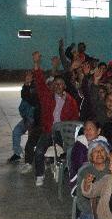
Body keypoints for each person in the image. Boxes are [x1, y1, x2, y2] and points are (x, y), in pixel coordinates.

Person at [31, 51, 79, 187]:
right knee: (39, 150)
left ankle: (71, 175)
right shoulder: (47, 96)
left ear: (64, 86)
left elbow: (74, 119)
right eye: (55, 84)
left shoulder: (71, 101)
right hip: (48, 131)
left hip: (63, 132)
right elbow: (40, 82)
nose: (57, 86)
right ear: (52, 86)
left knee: (71, 152)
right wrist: (36, 63)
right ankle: (40, 174)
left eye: (60, 84)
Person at [72, 139, 110, 219]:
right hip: (90, 211)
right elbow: (81, 199)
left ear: (107, 154)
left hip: (111, 210)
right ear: (90, 156)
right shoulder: (85, 170)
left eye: (102, 151)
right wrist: (93, 214)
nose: (99, 154)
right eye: (95, 152)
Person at [69, 120, 106, 195]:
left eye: (90, 129)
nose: (87, 131)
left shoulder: (103, 143)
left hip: (101, 175)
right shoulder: (79, 146)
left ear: (98, 131)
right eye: (85, 129)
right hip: (80, 179)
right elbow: (79, 167)